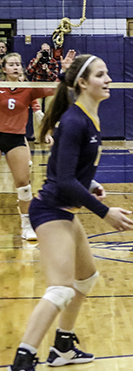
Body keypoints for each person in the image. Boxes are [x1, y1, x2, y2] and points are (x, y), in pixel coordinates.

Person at [2, 54, 133, 371]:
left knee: (86, 279)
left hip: (65, 208)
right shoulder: (75, 121)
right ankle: (21, 366)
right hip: (51, 211)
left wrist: (89, 185)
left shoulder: (88, 117)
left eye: (108, 74)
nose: (108, 79)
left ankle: (62, 346)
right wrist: (104, 211)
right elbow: (61, 180)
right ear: (82, 82)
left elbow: (70, 171)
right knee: (60, 289)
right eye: (101, 75)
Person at [0, 52, 65, 241]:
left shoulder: (28, 89)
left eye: (18, 64)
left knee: (24, 185)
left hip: (15, 139)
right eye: (11, 64)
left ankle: (27, 225)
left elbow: (57, 89)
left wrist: (65, 70)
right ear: (4, 69)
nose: (16, 67)